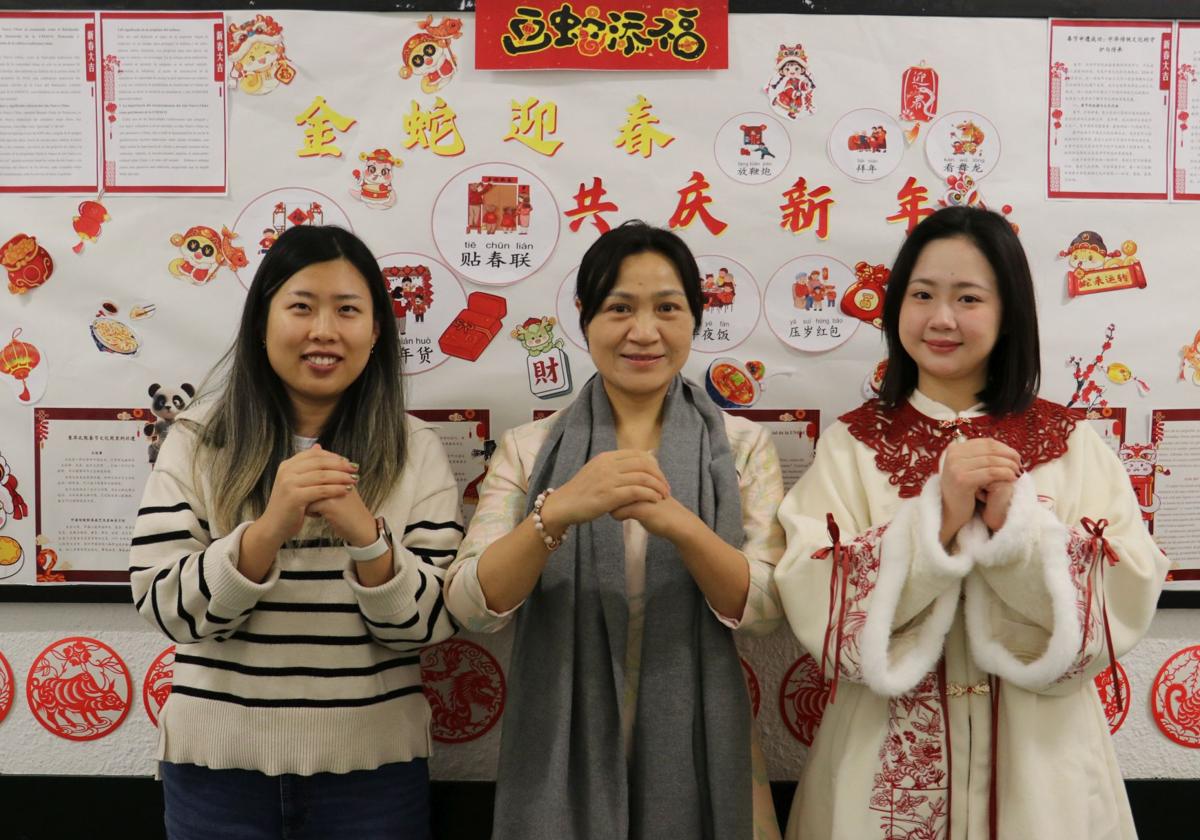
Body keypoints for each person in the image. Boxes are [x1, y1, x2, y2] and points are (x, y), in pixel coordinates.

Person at [774, 206, 1168, 840]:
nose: (942, 318)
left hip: (1043, 770)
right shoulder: (852, 444)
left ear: (1008, 311)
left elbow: (1128, 587)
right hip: (886, 775)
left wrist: (1022, 532)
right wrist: (938, 521)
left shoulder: (1068, 440)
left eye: (968, 298)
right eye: (922, 294)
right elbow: (811, 590)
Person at [445, 220, 785, 840]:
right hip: (557, 746)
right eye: (619, 308)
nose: (644, 332)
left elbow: (763, 610)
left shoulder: (741, 448)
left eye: (668, 308)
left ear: (695, 317)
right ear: (584, 317)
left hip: (707, 744)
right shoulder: (530, 450)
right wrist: (560, 511)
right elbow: (472, 605)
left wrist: (682, 525)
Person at [130, 225, 460, 840]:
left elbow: (429, 624)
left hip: (373, 775)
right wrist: (267, 531)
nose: (323, 331)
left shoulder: (415, 448)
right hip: (217, 773)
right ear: (262, 322)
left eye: (348, 310)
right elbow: (164, 606)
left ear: (376, 332)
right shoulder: (200, 438)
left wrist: (368, 538)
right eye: (301, 306)